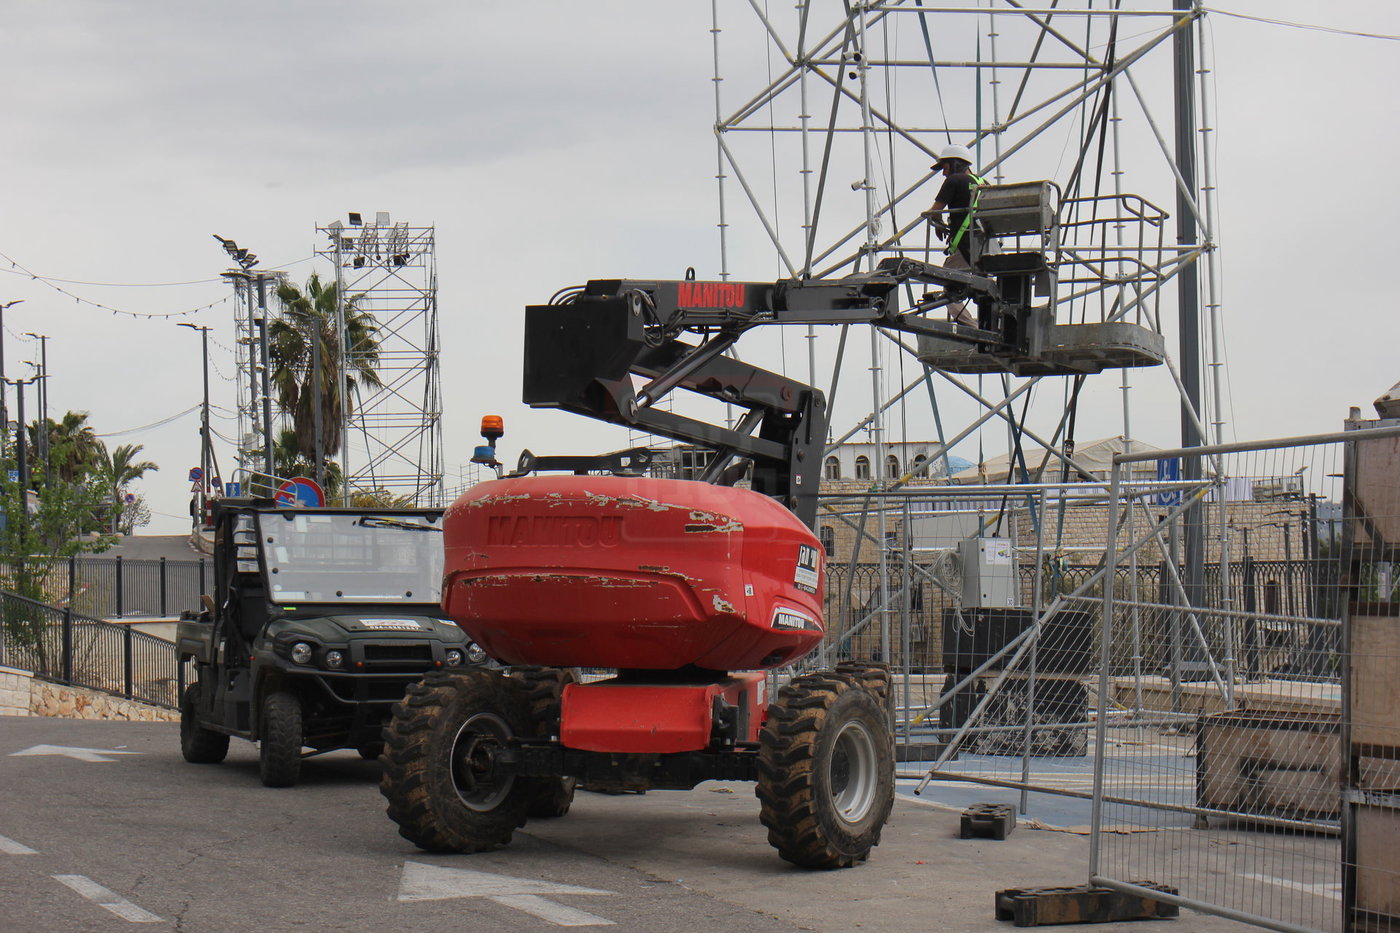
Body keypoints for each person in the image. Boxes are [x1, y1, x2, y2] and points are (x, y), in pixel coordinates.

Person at [922, 143, 987, 326]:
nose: (943, 173)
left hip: (964, 246)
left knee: (950, 291)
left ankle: (973, 328)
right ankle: (993, 326)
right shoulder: (983, 183)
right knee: (986, 289)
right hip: (986, 244)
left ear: (955, 163)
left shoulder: (954, 180)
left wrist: (938, 223)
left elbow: (935, 211)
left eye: (945, 167)